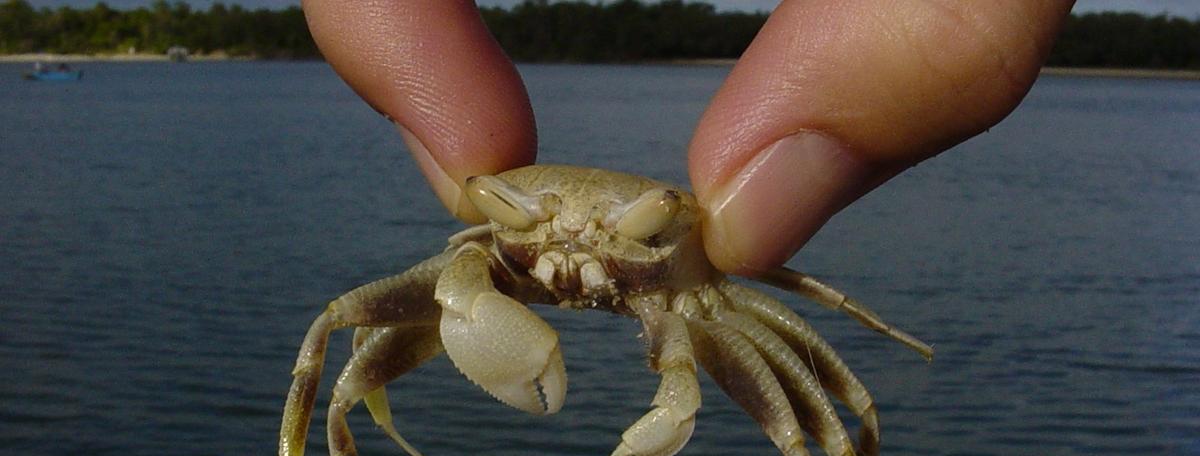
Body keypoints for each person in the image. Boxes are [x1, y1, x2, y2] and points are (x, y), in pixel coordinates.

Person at [302, 0, 1074, 275]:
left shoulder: (688, 246)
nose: (582, 242)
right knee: (344, 335)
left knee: (817, 415)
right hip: (518, 235)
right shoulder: (483, 243)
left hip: (676, 274)